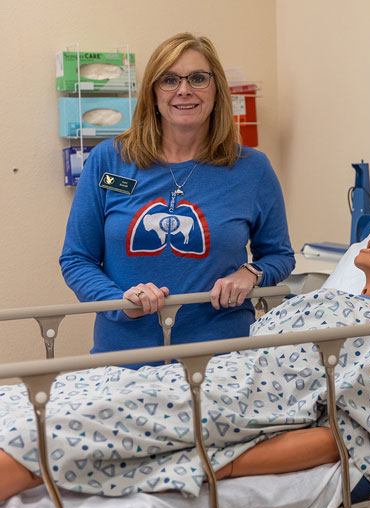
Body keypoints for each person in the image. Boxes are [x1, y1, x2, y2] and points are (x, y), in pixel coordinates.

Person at [0, 213, 370, 501]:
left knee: (53, 427)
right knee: (41, 397)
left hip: (237, 407)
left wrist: (223, 462)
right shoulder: (313, 301)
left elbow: (343, 436)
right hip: (198, 378)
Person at [59, 33, 294, 366]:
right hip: (125, 359)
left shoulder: (251, 169)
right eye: (169, 79)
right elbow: (76, 259)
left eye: (198, 78)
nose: (184, 90)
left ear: (217, 89)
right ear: (153, 93)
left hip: (221, 361)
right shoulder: (109, 161)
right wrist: (118, 300)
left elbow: (280, 255)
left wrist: (251, 273)